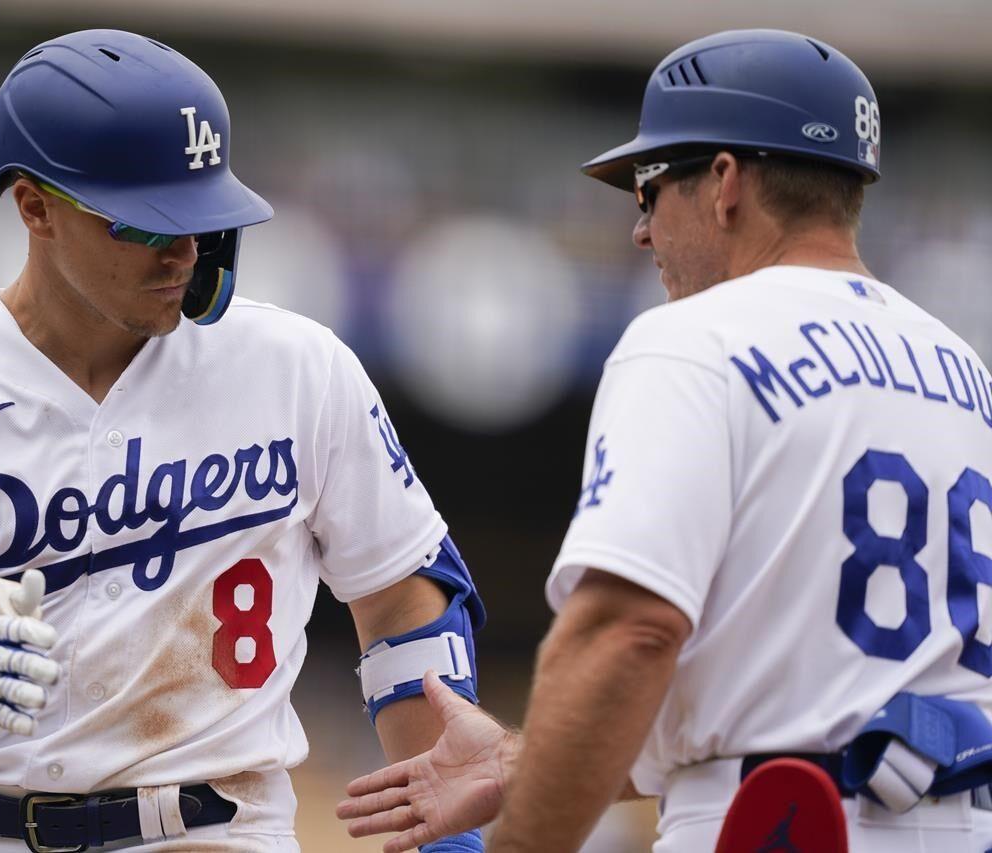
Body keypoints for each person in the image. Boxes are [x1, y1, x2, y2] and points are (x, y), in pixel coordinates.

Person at [0, 29, 485, 853]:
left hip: (226, 829)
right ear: (34, 206)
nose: (184, 251)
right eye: (144, 224)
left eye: (200, 217)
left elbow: (403, 600)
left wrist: (449, 841)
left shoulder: (299, 368)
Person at [336, 28, 992, 853]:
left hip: (777, 825)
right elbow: (795, 682)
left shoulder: (695, 339)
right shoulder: (963, 369)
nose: (641, 230)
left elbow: (628, 634)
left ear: (723, 182)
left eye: (648, 188)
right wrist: (520, 759)